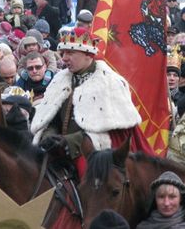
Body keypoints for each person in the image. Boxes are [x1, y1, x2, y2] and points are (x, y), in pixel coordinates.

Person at [31, 27, 141, 179]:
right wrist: (49, 137)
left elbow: (113, 132)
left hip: (95, 159)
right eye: (63, 53)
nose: (64, 58)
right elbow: (51, 119)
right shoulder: (59, 79)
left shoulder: (111, 82)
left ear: (88, 54)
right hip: (57, 155)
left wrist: (69, 142)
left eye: (71, 53)